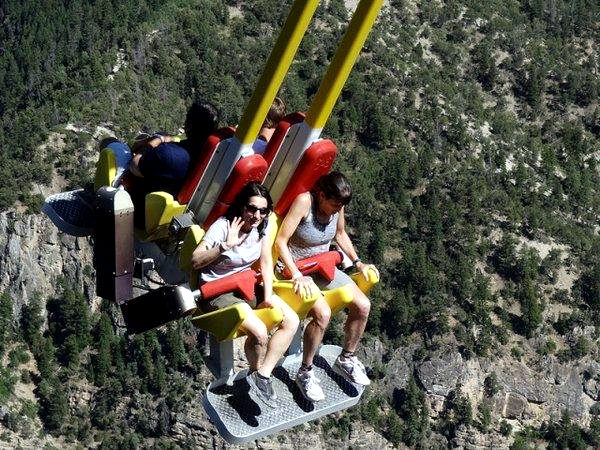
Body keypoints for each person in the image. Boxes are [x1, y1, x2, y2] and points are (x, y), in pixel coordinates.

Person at [191, 182, 299, 408]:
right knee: (259, 332)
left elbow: (266, 260)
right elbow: (195, 260)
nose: (256, 215)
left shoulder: (264, 225)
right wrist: (224, 246)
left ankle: (263, 376)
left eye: (262, 210)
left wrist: (267, 294)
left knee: (291, 320)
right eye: (251, 209)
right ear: (241, 207)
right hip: (217, 290)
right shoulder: (223, 227)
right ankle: (254, 370)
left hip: (244, 283)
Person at [275, 171, 379, 402]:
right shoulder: (305, 202)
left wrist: (358, 262)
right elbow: (281, 241)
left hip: (322, 267)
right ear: (321, 195)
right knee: (322, 314)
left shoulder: (337, 206)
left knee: (363, 305)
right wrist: (296, 274)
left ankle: (347, 357)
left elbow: (340, 234)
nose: (335, 210)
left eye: (339, 206)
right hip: (295, 271)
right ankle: (305, 371)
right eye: (333, 205)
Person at [126, 101, 219, 228]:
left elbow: (135, 165)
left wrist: (156, 141)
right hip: (174, 218)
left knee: (113, 146)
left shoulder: (169, 154)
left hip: (141, 215)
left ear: (189, 125)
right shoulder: (215, 160)